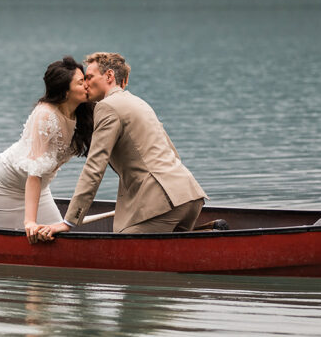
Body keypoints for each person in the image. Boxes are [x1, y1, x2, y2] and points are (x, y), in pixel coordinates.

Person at [34, 52, 206, 240]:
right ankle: (211, 232)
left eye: (90, 77)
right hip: (189, 196)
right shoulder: (139, 102)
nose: (85, 84)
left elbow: (94, 169)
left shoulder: (107, 107)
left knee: (121, 242)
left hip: (162, 204)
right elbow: (172, 153)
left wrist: (69, 222)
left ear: (109, 76)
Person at [0, 56, 92, 242]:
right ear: (65, 92)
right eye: (81, 82)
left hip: (39, 188)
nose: (87, 86)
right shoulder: (46, 115)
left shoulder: (85, 111)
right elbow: (34, 173)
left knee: (56, 237)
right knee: (28, 237)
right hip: (6, 186)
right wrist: (30, 222)